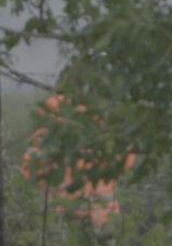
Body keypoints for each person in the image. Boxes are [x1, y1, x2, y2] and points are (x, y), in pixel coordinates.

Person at [23, 94, 136, 227]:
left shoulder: (45, 146)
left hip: (74, 221)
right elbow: (126, 163)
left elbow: (31, 176)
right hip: (94, 221)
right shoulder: (103, 140)